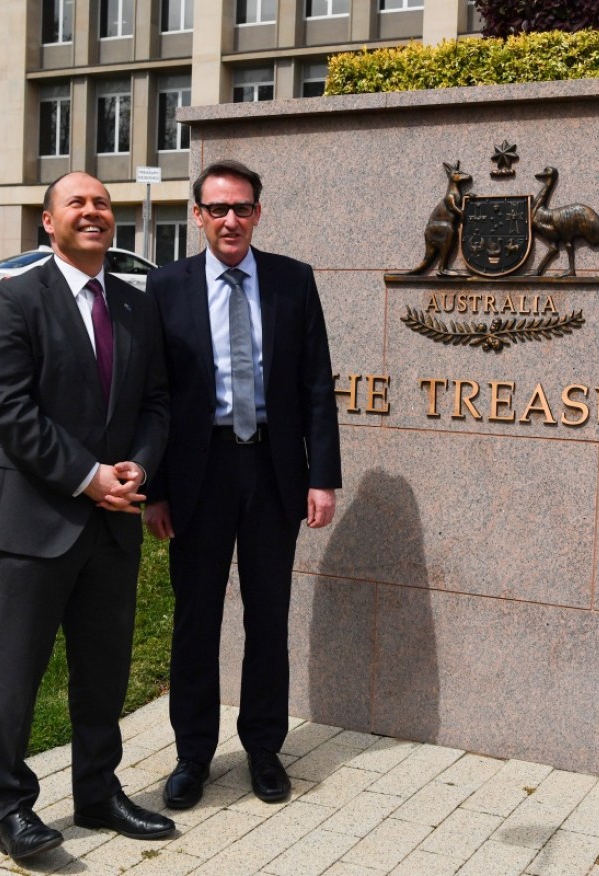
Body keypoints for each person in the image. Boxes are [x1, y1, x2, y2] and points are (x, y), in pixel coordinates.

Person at [0, 171, 173, 861]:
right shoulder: (14, 300)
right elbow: (6, 408)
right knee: (16, 676)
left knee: (104, 673)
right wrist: (90, 478)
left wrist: (138, 469)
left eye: (102, 203)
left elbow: (155, 402)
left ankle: (98, 792)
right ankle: (9, 808)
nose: (93, 212)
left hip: (115, 523)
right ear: (47, 223)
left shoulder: (134, 305)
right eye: (77, 203)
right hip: (38, 521)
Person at [143, 159, 342, 810]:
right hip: (197, 477)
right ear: (197, 215)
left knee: (268, 616)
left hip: (272, 472)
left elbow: (316, 385)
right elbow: (156, 396)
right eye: (218, 208)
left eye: (243, 208)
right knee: (195, 619)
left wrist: (322, 478)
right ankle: (192, 757)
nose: (231, 220)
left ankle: (263, 750)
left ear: (258, 212)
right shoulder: (166, 287)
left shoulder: (292, 281)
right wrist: (157, 489)